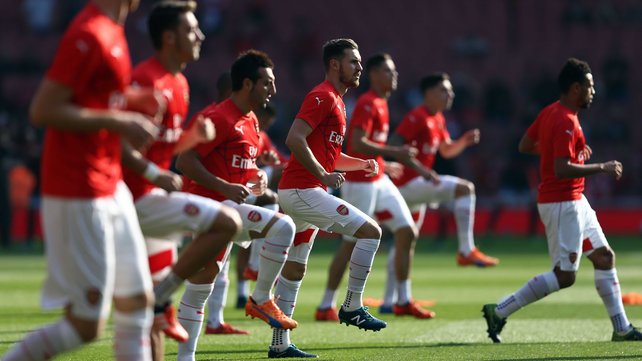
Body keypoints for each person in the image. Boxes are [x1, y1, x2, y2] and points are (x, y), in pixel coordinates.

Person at [2, 1, 159, 360]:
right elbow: (43, 109)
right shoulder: (88, 33)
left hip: (109, 181)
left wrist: (134, 99)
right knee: (85, 326)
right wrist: (120, 122)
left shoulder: (112, 28)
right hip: (79, 188)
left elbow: (95, 98)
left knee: (138, 301)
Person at [482, 58, 642, 343]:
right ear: (575, 88)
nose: (594, 91)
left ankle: (622, 328)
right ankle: (500, 310)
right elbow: (560, 168)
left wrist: (571, 153)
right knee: (565, 276)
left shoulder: (551, 112)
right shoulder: (565, 120)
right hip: (561, 204)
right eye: (590, 86)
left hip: (575, 200)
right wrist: (600, 167)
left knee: (605, 258)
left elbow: (526, 145)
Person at [120, 1, 244, 358]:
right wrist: (154, 173)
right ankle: (164, 293)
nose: (201, 35)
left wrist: (191, 139)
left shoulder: (180, 83)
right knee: (226, 222)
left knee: (152, 318)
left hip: (149, 198)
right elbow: (115, 144)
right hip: (132, 199)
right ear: (170, 37)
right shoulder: (145, 79)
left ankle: (161, 299)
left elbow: (161, 144)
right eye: (192, 30)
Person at [175, 50, 297, 360]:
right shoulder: (217, 117)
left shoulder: (252, 121)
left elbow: (241, 168)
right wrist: (224, 186)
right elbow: (184, 160)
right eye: (267, 83)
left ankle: (184, 357)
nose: (273, 90)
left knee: (202, 284)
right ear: (247, 83)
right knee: (283, 226)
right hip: (208, 208)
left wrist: (258, 179)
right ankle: (260, 298)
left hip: (226, 206)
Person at [275, 38, 386, 359]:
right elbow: (294, 138)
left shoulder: (337, 100)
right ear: (335, 64)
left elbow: (330, 156)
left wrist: (361, 163)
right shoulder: (322, 96)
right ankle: (352, 306)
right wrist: (322, 176)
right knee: (370, 232)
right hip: (302, 190)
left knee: (295, 267)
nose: (360, 68)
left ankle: (279, 344)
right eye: (354, 62)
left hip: (303, 191)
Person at [315, 53, 435, 322]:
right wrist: (394, 152)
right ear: (374, 75)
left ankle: (403, 300)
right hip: (360, 183)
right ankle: (325, 305)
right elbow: (356, 143)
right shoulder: (368, 103)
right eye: (388, 72)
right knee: (350, 243)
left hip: (378, 179)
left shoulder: (381, 102)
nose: (394, 76)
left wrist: (385, 162)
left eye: (394, 72)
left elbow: (370, 145)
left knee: (406, 231)